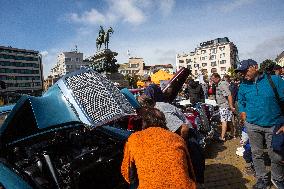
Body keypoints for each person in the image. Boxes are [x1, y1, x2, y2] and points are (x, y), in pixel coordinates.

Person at [121, 107, 196, 189]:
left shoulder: (134, 138)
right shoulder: (177, 138)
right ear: (164, 121)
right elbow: (190, 171)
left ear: (144, 122)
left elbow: (127, 173)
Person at [236, 59, 284, 189]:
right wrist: (243, 112)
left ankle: (277, 178)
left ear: (255, 67)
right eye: (241, 72)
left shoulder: (275, 80)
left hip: (274, 125)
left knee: (276, 155)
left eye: (245, 70)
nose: (243, 74)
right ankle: (262, 179)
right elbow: (241, 101)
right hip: (252, 126)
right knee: (256, 154)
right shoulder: (243, 85)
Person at [211, 73, 235, 141]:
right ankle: (232, 134)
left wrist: (231, 106)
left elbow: (229, 94)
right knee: (229, 120)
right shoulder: (220, 84)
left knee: (224, 121)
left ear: (217, 78)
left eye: (213, 79)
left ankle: (222, 137)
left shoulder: (222, 84)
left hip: (224, 106)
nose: (212, 81)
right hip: (226, 105)